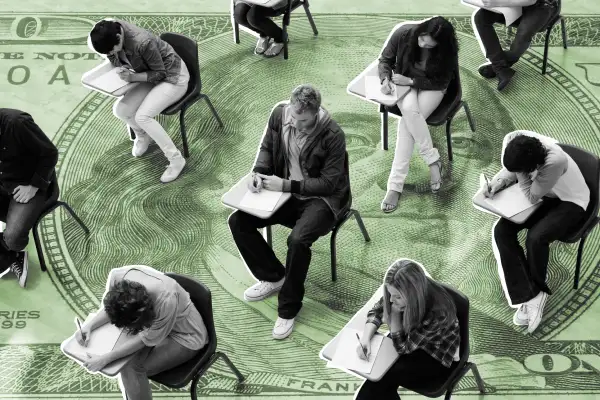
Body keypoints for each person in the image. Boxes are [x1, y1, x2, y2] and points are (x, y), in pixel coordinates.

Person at [227, 84, 348, 340]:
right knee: (238, 221)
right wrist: (258, 173)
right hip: (287, 194)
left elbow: (329, 183)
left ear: (315, 113)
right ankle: (273, 276)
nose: (294, 122)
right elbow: (267, 149)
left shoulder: (333, 135)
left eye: (302, 120)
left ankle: (288, 308)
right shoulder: (280, 115)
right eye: (293, 116)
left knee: (297, 240)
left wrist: (287, 185)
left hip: (323, 201)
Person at [486, 130, 590, 333]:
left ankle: (538, 288)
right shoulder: (518, 141)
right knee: (501, 230)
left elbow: (532, 196)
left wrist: (520, 175)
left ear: (530, 165)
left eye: (523, 169)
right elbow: (512, 170)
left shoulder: (554, 161)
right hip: (549, 195)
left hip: (571, 201)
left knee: (536, 237)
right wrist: (497, 183)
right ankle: (531, 294)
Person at [78, 265, 208, 400]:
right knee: (124, 359)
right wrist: (89, 326)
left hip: (186, 336)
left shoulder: (166, 300)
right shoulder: (117, 277)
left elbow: (143, 340)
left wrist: (105, 358)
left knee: (131, 368)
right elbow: (113, 308)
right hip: (157, 327)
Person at [88, 19, 190, 183]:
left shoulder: (142, 42)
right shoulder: (107, 33)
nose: (111, 55)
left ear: (118, 37)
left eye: (112, 51)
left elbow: (160, 73)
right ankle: (143, 136)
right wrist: (119, 64)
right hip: (146, 74)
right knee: (121, 111)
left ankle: (176, 160)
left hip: (173, 77)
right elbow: (113, 57)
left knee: (142, 117)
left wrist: (132, 77)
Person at [378, 17, 459, 213]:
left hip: (431, 86)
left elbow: (441, 82)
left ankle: (394, 186)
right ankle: (433, 161)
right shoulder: (404, 33)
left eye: (429, 45)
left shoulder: (448, 51)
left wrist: (412, 81)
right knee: (410, 117)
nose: (422, 44)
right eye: (422, 39)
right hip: (404, 82)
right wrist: (385, 79)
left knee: (407, 123)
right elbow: (385, 60)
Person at [354, 259, 460, 399]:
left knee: (381, 378)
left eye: (397, 296)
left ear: (413, 295)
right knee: (376, 382)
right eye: (390, 293)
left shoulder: (438, 313)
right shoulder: (401, 289)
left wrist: (396, 315)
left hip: (434, 355)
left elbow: (403, 348)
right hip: (410, 337)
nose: (391, 300)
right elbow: (376, 311)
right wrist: (366, 338)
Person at [0, 109, 58, 288]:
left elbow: (50, 154)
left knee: (13, 237)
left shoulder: (17, 123)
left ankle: (14, 252)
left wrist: (33, 186)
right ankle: (7, 253)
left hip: (30, 186)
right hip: (3, 183)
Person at [473, 0, 559, 91]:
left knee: (523, 34)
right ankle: (501, 67)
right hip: (514, 2)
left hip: (542, 5)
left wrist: (498, 3)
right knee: (481, 17)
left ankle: (499, 66)